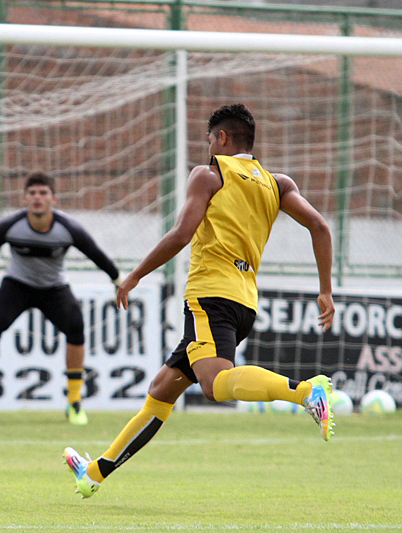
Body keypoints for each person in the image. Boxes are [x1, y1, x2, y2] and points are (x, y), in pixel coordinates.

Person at [63, 103, 336, 498]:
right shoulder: (278, 183)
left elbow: (181, 233)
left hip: (210, 296)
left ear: (221, 138)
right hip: (245, 303)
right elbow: (320, 226)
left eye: (209, 139)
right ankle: (94, 474)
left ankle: (305, 391)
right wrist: (325, 289)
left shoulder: (210, 175)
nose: (207, 147)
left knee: (214, 384)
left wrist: (135, 274)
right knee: (162, 389)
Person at [0, 172, 121, 425]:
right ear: (25, 198)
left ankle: (74, 402)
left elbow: (97, 255)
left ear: (54, 199)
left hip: (54, 288)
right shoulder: (11, 226)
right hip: (17, 285)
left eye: (43, 193)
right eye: (33, 193)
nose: (37, 198)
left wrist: (118, 281)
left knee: (76, 327)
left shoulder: (68, 229)